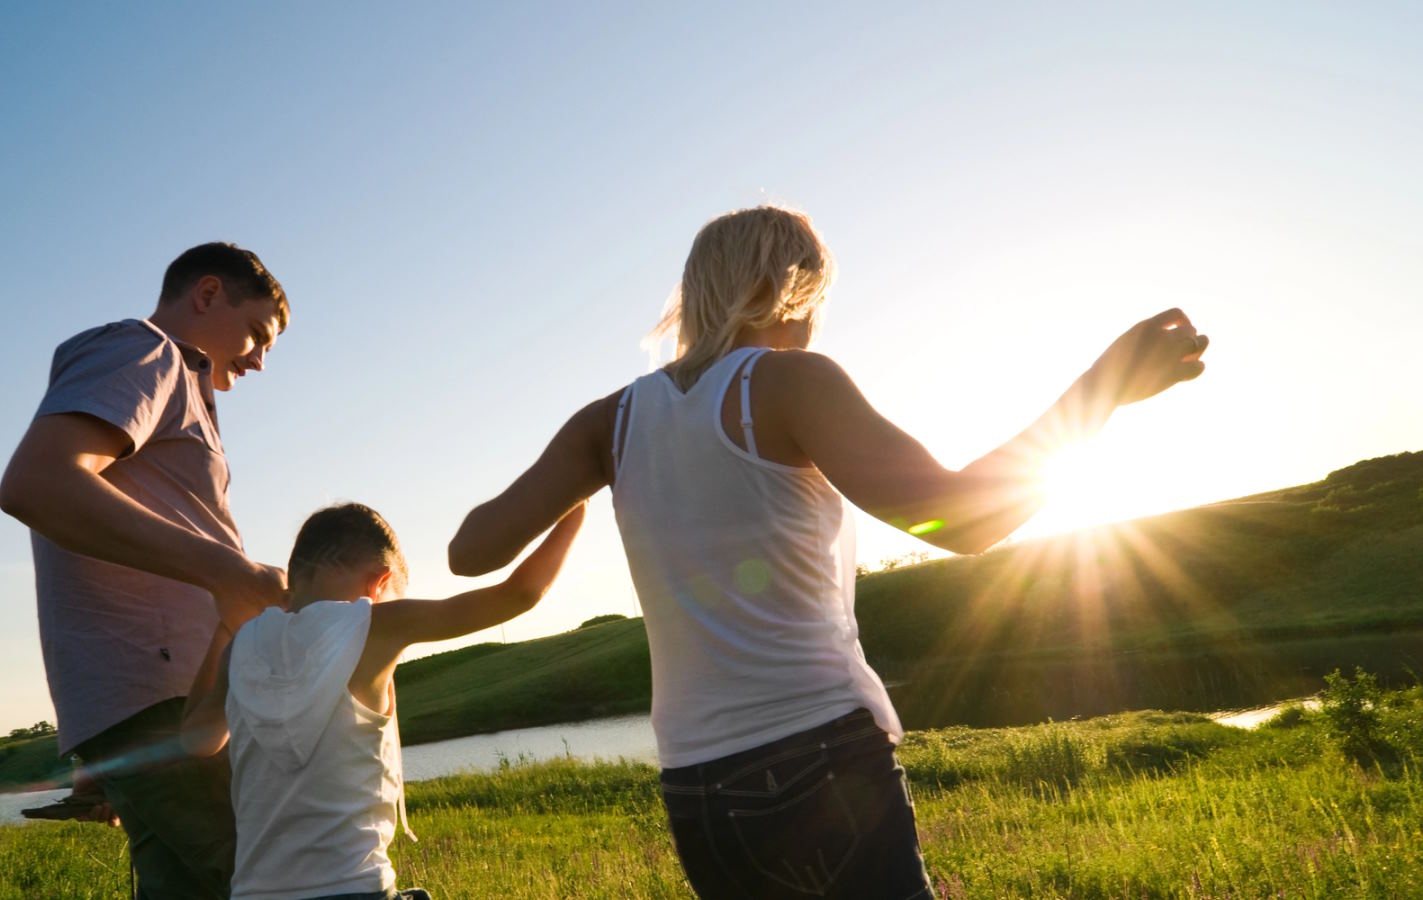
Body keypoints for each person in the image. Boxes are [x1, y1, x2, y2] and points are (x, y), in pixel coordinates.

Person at [446, 206, 1209, 898]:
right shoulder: (787, 383)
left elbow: (470, 551)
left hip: (696, 790)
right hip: (820, 762)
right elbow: (960, 520)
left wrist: (592, 481)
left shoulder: (607, 422)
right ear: (788, 289)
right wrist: (1102, 389)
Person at [0, 242, 293, 899]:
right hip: (166, 706)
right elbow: (38, 483)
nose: (260, 359)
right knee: (280, 881)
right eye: (257, 333)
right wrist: (230, 572)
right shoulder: (145, 351)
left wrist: (108, 738)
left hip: (164, 711)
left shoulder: (177, 385)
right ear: (208, 294)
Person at [179, 501, 586, 900]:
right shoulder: (371, 624)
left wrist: (226, 628)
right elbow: (520, 594)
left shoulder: (242, 644)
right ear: (378, 585)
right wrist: (575, 505)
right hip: (353, 885)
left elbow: (198, 739)